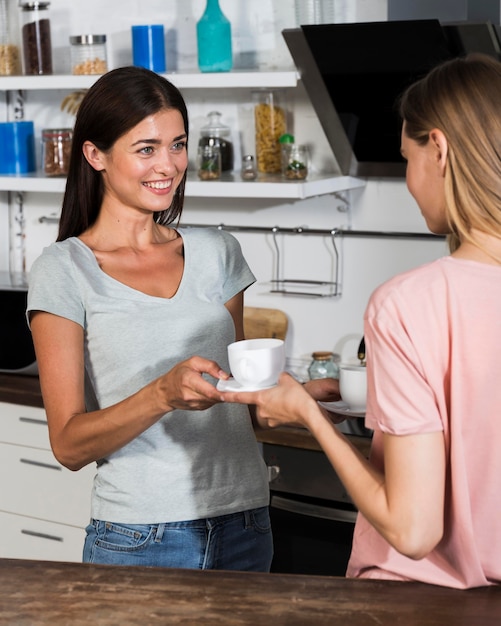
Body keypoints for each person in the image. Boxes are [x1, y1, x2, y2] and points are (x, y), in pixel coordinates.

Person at [220, 53, 501, 589]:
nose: (411, 183)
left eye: (406, 159)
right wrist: (373, 400)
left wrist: (309, 413)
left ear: (438, 150)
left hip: (420, 604)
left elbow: (413, 530)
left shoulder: (410, 303)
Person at [26, 66, 273, 572]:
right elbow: (68, 445)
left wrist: (302, 398)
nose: (169, 165)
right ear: (95, 155)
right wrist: (161, 394)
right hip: (141, 536)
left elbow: (242, 399)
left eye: (177, 144)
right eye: (146, 149)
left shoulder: (218, 251)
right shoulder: (65, 269)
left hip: (247, 522)